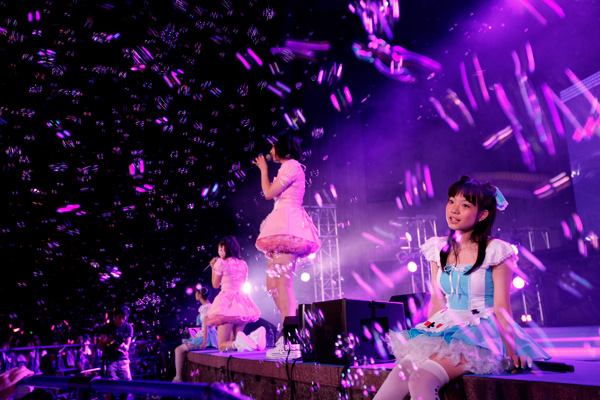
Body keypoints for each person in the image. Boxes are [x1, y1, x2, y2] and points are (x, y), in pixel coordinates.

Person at [374, 176, 551, 400]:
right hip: (448, 325)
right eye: (451, 201)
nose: (454, 210)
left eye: (465, 205)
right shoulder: (438, 248)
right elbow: (437, 301)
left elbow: (501, 307)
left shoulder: (496, 250)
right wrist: (427, 339)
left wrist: (510, 351)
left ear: (482, 215)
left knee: (421, 379)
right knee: (401, 373)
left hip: (483, 331)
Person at [252, 134, 321, 357]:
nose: (270, 151)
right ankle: (287, 331)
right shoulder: (286, 167)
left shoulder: (292, 166)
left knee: (283, 284)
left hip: (289, 226)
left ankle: (291, 341)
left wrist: (263, 170)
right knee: (272, 284)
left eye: (273, 147)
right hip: (281, 224)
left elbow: (268, 193)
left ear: (282, 148)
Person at [204, 236, 264, 353]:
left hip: (227, 302)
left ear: (226, 249)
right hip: (241, 303)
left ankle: (250, 339)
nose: (219, 252)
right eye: (219, 250)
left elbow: (215, 284)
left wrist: (212, 267)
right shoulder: (243, 264)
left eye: (221, 249)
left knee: (222, 345)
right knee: (236, 344)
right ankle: (252, 339)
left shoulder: (221, 263)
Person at [172, 286, 218, 382]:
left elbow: (206, 325)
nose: (195, 295)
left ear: (200, 295)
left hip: (207, 335)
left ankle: (178, 378)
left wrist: (204, 342)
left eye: (196, 293)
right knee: (181, 349)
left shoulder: (207, 307)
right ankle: (180, 377)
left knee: (178, 350)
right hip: (206, 333)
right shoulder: (206, 307)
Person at [98, 305, 133, 400]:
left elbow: (127, 347)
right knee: (111, 385)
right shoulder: (107, 328)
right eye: (120, 317)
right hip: (110, 359)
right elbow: (101, 346)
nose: (122, 320)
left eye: (124, 318)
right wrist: (109, 340)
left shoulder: (128, 328)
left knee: (127, 384)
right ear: (114, 316)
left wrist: (121, 345)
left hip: (123, 358)